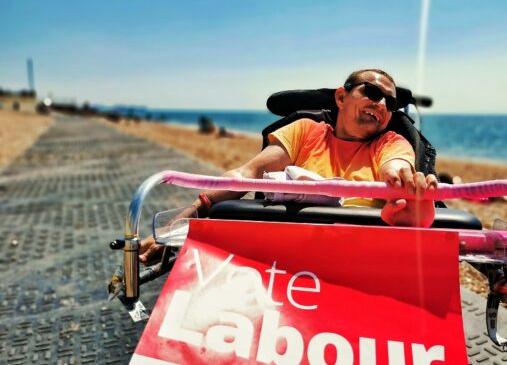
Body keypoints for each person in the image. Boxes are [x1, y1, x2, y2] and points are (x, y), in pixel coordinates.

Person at [139, 69, 438, 263]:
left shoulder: (390, 143)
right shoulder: (306, 131)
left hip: (357, 260)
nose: (383, 105)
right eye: (372, 93)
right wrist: (179, 225)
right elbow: (247, 174)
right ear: (341, 96)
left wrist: (400, 179)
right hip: (283, 260)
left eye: (390, 102)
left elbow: (397, 165)